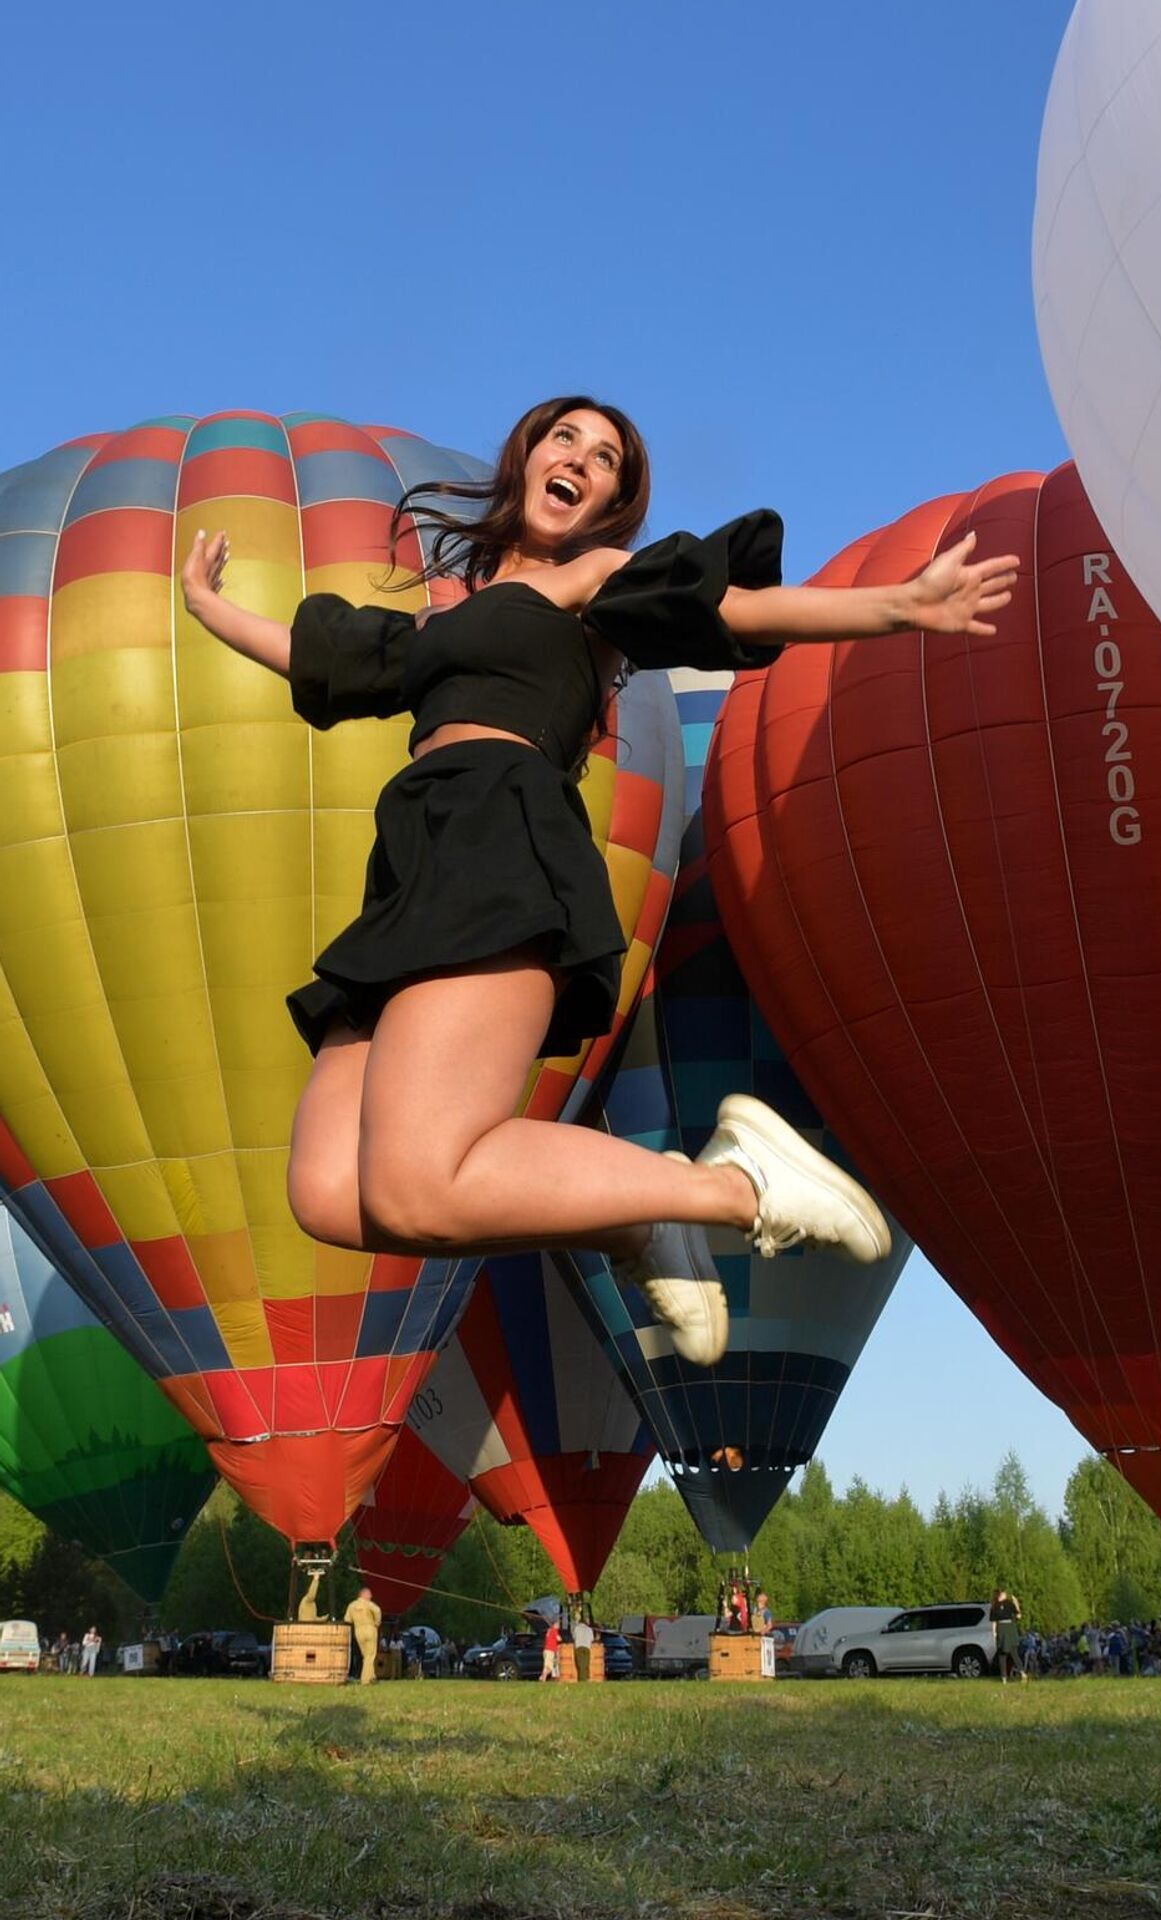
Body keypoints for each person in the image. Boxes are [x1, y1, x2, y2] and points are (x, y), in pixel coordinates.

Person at [177, 398, 1016, 1369]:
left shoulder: (595, 581)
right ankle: (629, 1220)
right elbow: (337, 655)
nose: (579, 457)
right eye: (563, 438)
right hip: (411, 864)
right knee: (329, 1193)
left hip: (501, 837)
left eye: (606, 456)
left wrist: (901, 607)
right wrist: (212, 610)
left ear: (614, 498)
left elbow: (731, 611)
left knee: (417, 1182)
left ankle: (735, 1190)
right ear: (526, 456)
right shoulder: (454, 615)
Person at [343, 1586, 382, 1686]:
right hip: (370, 1628)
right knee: (371, 1655)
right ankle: (365, 1679)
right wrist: (377, 1622)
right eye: (369, 1594)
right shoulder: (368, 1604)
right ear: (363, 1594)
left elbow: (347, 1619)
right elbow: (377, 1610)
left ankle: (372, 1676)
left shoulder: (351, 1605)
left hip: (358, 1630)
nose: (371, 1596)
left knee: (365, 1655)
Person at [989, 1586, 1024, 1684]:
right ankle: (1004, 1677)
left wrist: (1016, 1604)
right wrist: (994, 1633)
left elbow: (1018, 1615)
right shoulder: (995, 1606)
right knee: (1002, 1654)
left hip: (1008, 1628)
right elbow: (994, 1622)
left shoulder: (1007, 1604)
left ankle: (1021, 1673)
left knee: (1012, 1653)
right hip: (1003, 1628)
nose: (1003, 1594)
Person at [572, 1612, 594, 1683]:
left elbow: (574, 1637)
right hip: (587, 1648)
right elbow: (592, 1639)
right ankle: (587, 1678)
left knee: (580, 1664)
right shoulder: (589, 1629)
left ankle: (582, 1680)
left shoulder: (577, 1628)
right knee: (586, 1664)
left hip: (579, 1647)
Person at [540, 1616, 562, 1682]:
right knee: (549, 1667)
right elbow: (559, 1639)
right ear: (555, 1624)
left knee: (547, 1666)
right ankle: (542, 1678)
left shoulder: (549, 1630)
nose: (559, 1626)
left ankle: (542, 1678)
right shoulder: (554, 1630)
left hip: (546, 1650)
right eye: (558, 1624)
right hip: (550, 1650)